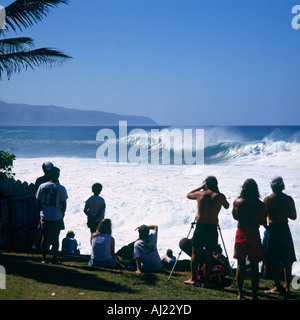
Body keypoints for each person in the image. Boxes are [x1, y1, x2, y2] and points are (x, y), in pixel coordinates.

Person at [184, 176, 229, 287]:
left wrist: (201, 187)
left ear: (206, 185)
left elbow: (188, 194)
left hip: (201, 226)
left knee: (195, 253)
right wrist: (217, 191)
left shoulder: (200, 194)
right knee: (209, 255)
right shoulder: (220, 196)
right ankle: (205, 282)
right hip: (212, 228)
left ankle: (194, 279)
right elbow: (227, 206)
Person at [232, 178, 266, 300]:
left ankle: (240, 294)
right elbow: (263, 222)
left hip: (241, 233)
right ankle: (255, 295)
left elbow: (235, 217)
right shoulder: (261, 205)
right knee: (255, 265)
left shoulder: (237, 202)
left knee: (240, 264)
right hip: (254, 234)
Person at [263, 176, 297, 296]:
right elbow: (293, 216)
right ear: (282, 186)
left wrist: (266, 227)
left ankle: (278, 287)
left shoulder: (268, 200)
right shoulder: (289, 199)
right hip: (285, 229)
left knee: (275, 260)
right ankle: (287, 287)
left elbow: (263, 217)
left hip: (274, 229)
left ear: (272, 186)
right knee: (287, 260)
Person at [36, 167, 68, 264]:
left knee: (44, 237)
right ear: (58, 175)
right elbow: (64, 204)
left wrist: (41, 211)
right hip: (56, 216)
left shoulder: (42, 186)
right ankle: (54, 258)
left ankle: (44, 259)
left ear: (49, 174)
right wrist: (63, 213)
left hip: (45, 215)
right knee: (55, 238)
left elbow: (38, 201)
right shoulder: (61, 188)